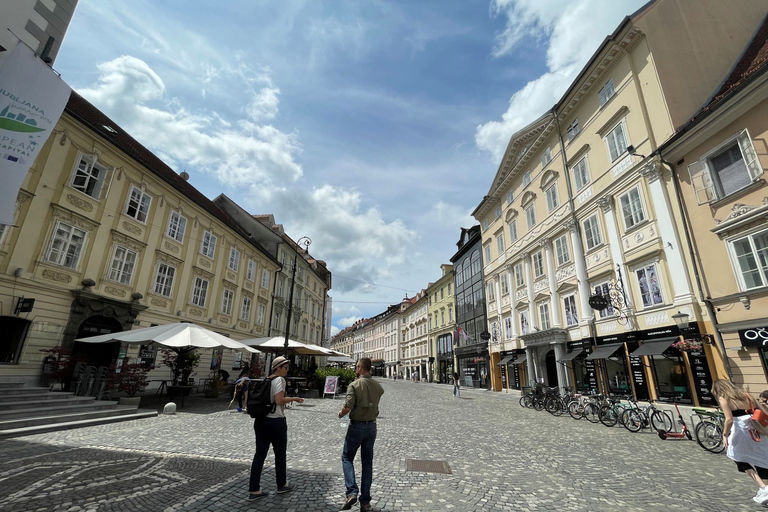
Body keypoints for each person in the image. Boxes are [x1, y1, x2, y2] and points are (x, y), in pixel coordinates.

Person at [248, 356, 305, 499]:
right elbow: (279, 400)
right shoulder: (279, 380)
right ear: (277, 368)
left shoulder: (266, 379)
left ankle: (254, 490)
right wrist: (294, 399)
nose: (287, 370)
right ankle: (282, 484)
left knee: (259, 455)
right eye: (285, 367)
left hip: (261, 421)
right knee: (280, 453)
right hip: (275, 422)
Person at [338, 357, 384, 511]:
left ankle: (351, 492)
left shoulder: (354, 385)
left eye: (356, 367)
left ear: (359, 367)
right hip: (372, 427)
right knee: (367, 463)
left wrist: (340, 413)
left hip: (357, 426)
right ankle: (365, 501)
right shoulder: (378, 386)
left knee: (346, 458)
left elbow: (348, 406)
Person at [712, 379, 768, 505]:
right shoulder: (747, 395)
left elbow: (729, 420)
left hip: (741, 431)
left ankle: (764, 488)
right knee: (762, 461)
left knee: (736, 456)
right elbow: (763, 412)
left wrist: (724, 434)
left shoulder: (724, 398)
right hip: (757, 429)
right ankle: (765, 491)